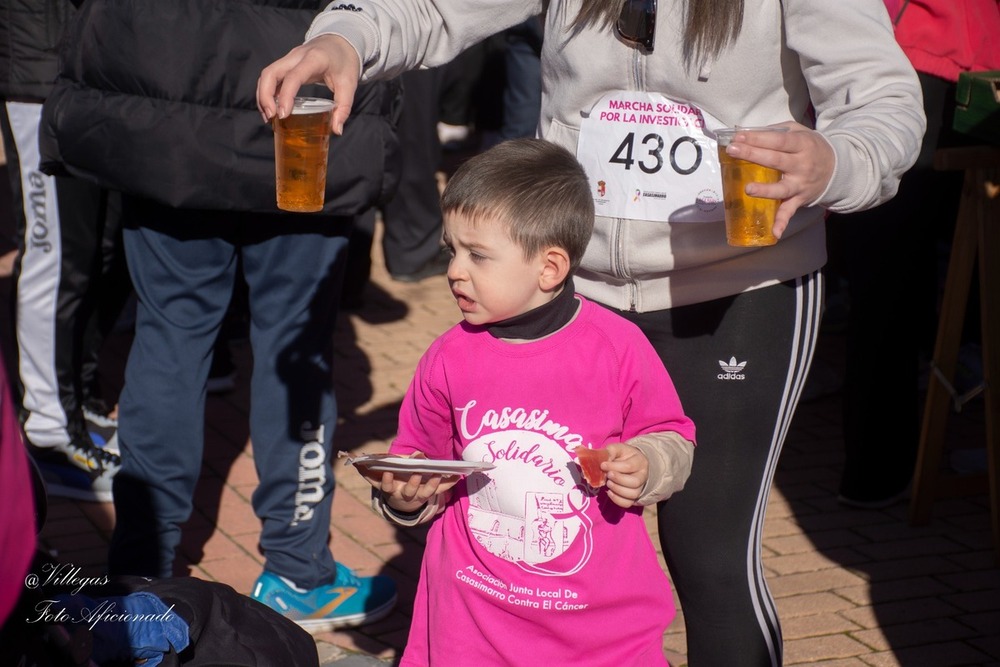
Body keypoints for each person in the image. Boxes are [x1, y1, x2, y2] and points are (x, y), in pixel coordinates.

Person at [257, 1, 925, 664]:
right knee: (557, 546)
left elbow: (885, 97)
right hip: (577, 287)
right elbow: (431, 9)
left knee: (710, 559)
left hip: (738, 286)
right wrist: (346, 37)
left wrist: (835, 162)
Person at [38, 0, 401, 631]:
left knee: (169, 334)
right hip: (302, 99)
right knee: (297, 345)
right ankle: (296, 567)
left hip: (169, 103)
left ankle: (142, 570)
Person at [354, 138, 696, 666]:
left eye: (479, 255)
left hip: (601, 631)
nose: (455, 271)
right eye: (453, 250)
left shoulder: (618, 347)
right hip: (470, 625)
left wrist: (649, 462)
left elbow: (673, 435)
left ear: (549, 268)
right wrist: (405, 494)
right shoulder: (448, 358)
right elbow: (419, 461)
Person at [831, 0, 1000, 508]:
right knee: (887, 278)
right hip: (913, 53)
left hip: (949, 58)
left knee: (893, 279)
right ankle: (876, 470)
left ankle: (882, 469)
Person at [0, 0, 131, 503]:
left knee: (97, 248)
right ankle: (49, 432)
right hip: (38, 72)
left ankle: (78, 404)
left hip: (90, 70)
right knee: (53, 256)